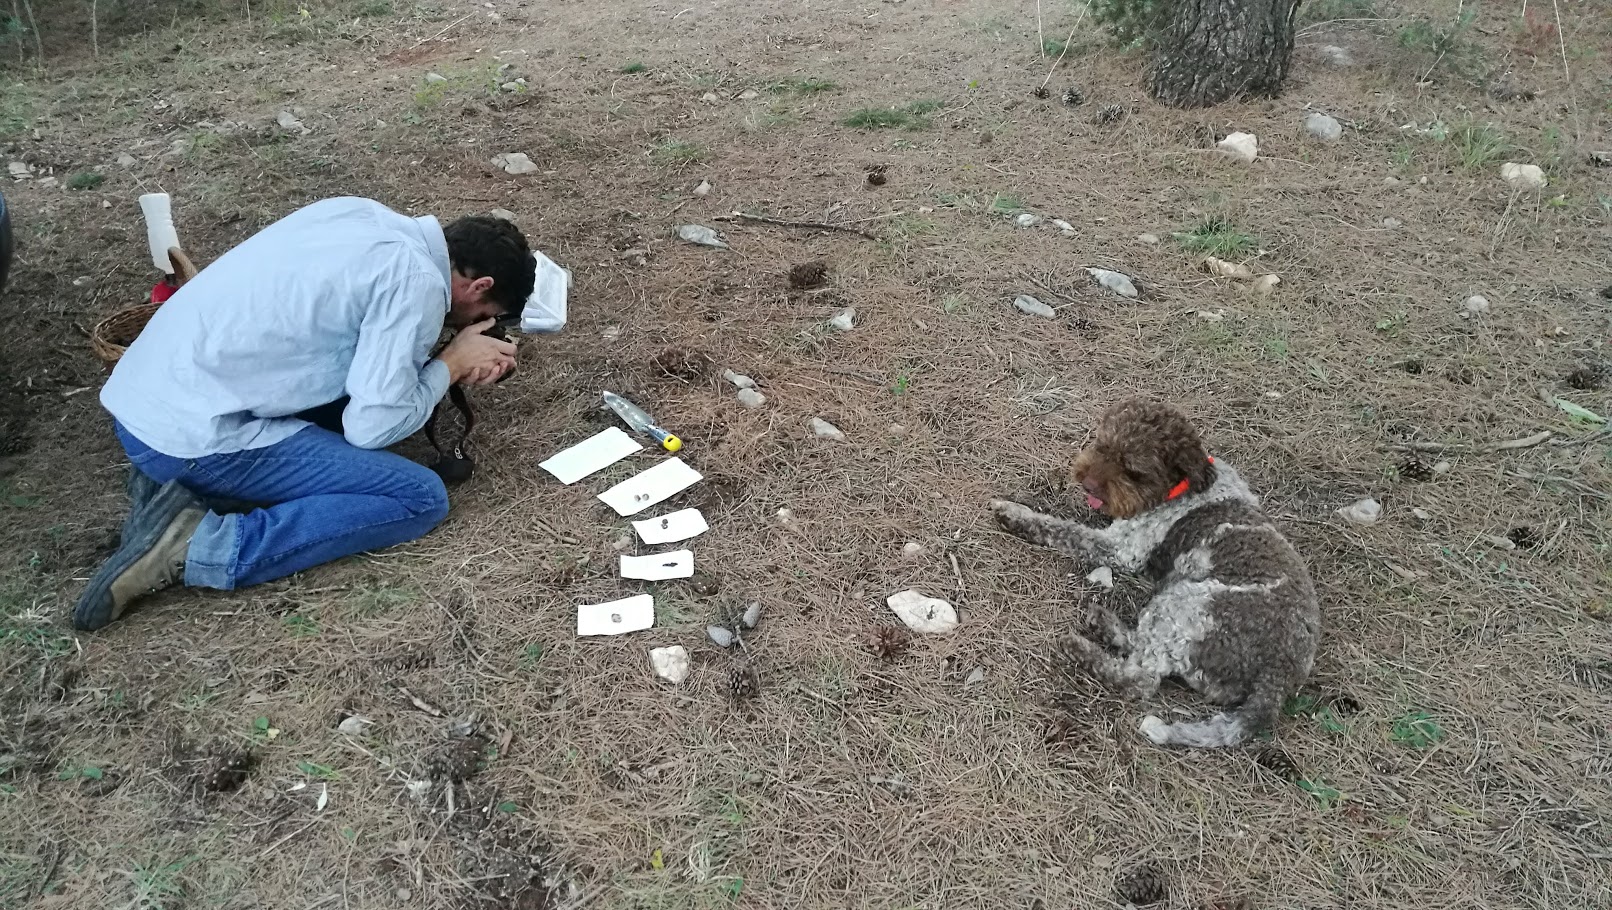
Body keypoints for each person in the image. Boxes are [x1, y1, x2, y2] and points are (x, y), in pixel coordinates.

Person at [74, 196, 534, 631]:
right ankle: (203, 545)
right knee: (418, 497)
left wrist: (436, 361)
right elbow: (372, 427)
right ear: (479, 286)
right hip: (191, 437)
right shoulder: (415, 282)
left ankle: (169, 491)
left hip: (145, 401)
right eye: (483, 314)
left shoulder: (359, 214)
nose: (473, 323)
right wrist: (451, 363)